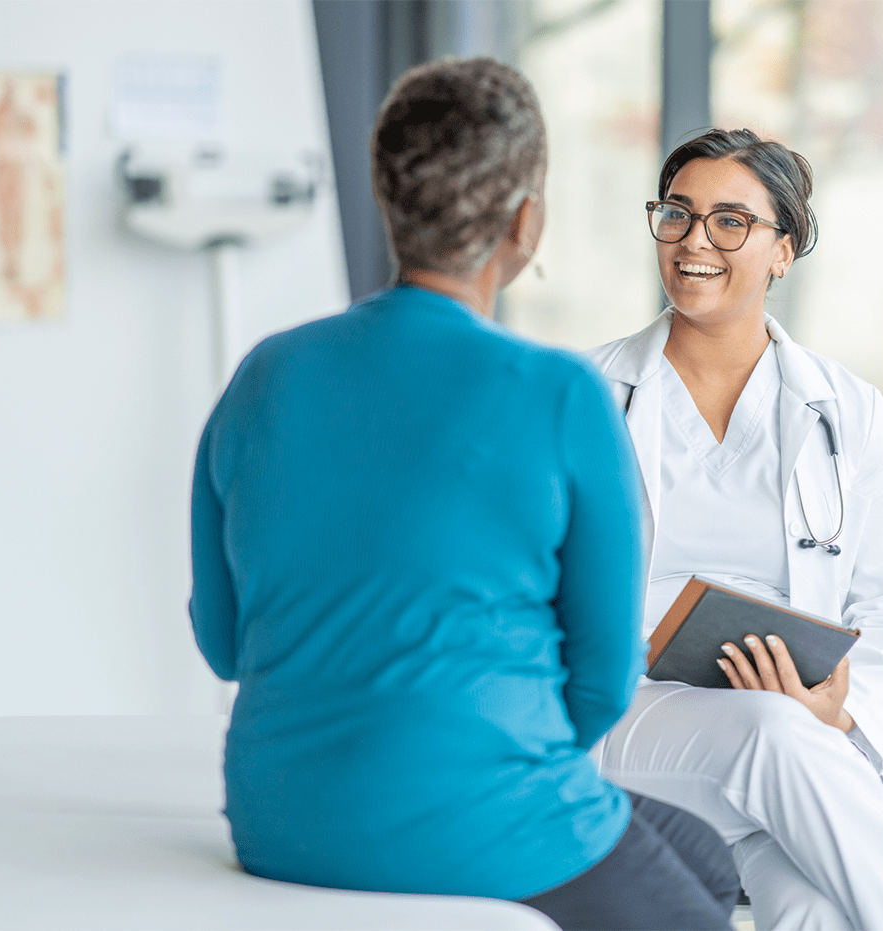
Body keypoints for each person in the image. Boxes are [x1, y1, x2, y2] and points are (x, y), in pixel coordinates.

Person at [188, 59, 738, 931]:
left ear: (388, 200)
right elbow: (600, 685)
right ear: (526, 221)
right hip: (485, 823)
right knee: (704, 900)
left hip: (279, 821)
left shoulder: (265, 374)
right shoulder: (559, 394)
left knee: (704, 852)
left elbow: (223, 645)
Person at [586, 128, 883, 930]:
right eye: (678, 214)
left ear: (783, 250)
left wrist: (841, 707)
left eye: (731, 221)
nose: (696, 240)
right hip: (633, 715)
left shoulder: (847, 409)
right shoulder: (585, 395)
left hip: (796, 741)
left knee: (819, 910)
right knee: (774, 731)